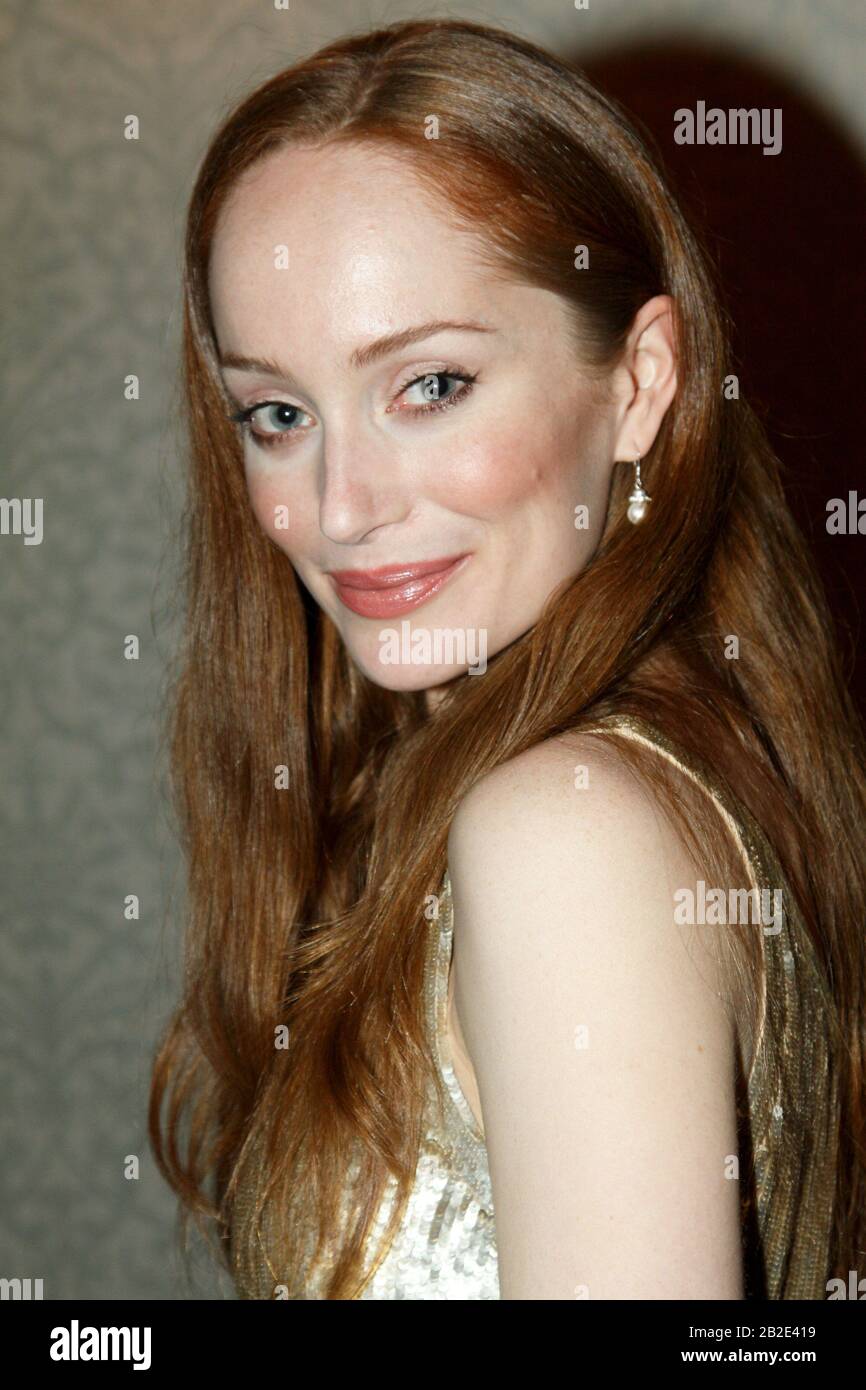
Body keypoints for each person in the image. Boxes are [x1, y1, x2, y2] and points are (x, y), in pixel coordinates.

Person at [149, 18, 866, 1300]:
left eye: (427, 385)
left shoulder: (558, 830)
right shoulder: (667, 770)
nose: (338, 504)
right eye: (277, 412)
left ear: (639, 381)